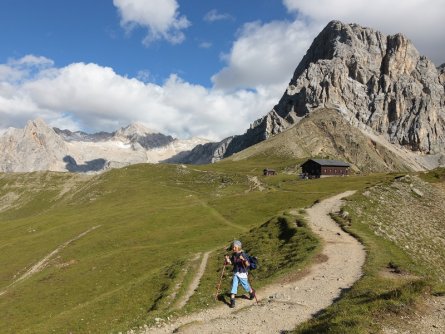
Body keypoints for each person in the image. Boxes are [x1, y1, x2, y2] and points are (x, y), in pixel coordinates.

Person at [224, 240, 255, 308]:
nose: (233, 248)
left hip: (242, 273)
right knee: (234, 286)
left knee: (245, 286)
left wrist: (243, 259)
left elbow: (247, 265)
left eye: (235, 247)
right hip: (236, 273)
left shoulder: (243, 254)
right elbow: (231, 263)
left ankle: (251, 292)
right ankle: (232, 301)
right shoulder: (234, 255)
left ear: (239, 247)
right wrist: (227, 260)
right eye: (233, 247)